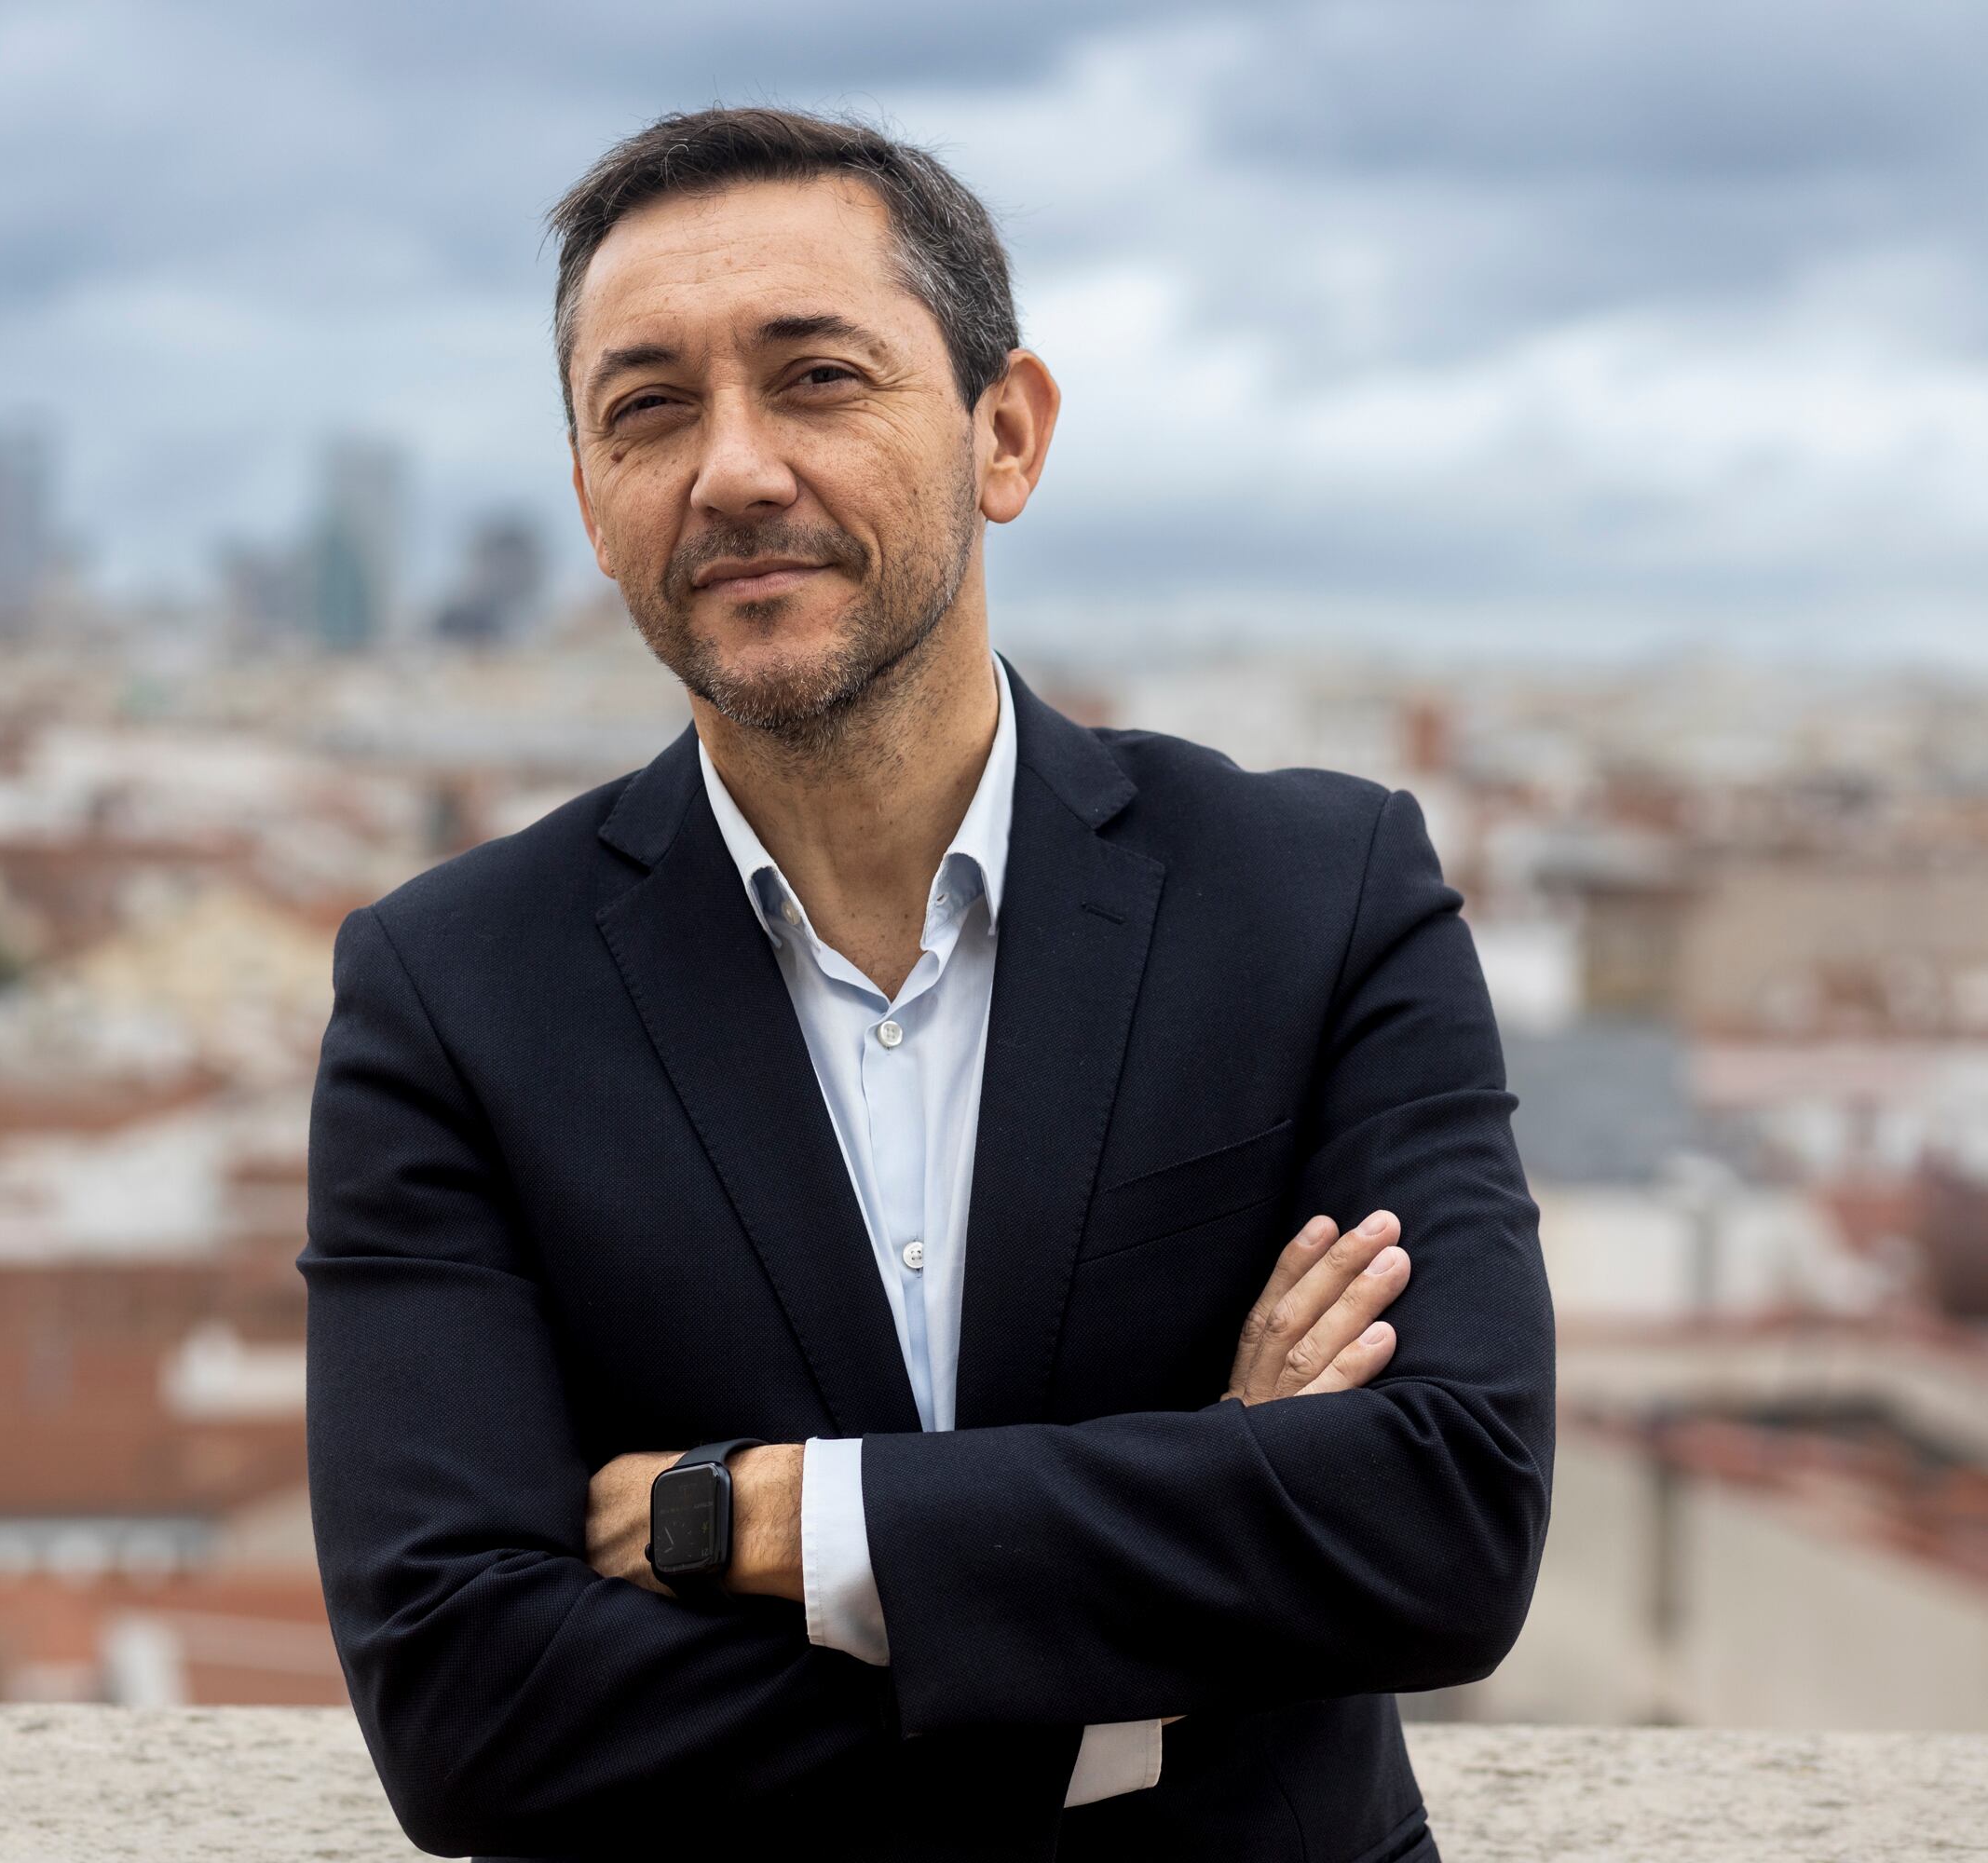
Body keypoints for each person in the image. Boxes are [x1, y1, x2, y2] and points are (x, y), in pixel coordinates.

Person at [302, 106, 1554, 1863]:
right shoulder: (449, 990)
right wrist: (1190, 1570)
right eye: (648, 407)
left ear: (1005, 434)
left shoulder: (1318, 893)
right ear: (592, 501)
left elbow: (1447, 1522)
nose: (733, 467)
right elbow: (467, 1714)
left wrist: (787, 1522)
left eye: (817, 378)